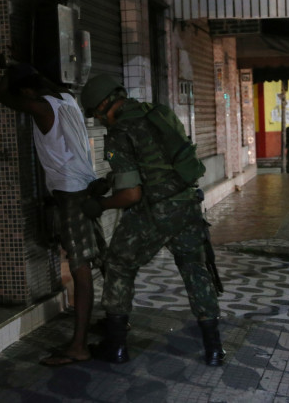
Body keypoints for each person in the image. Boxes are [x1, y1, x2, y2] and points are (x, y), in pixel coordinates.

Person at [79, 75, 225, 366]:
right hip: (187, 205)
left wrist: (101, 204)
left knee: (119, 264)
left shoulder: (120, 132)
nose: (98, 120)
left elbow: (132, 195)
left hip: (155, 212)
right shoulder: (157, 113)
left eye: (96, 114)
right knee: (195, 271)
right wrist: (109, 181)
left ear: (105, 104)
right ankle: (214, 349)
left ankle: (117, 346)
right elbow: (153, 161)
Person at [0, 63, 106, 367]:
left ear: (28, 92)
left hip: (71, 193)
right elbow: (39, 82)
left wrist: (7, 71)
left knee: (81, 270)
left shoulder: (43, 109)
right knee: (97, 260)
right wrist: (21, 68)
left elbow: (0, 94)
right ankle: (115, 321)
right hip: (85, 187)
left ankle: (78, 346)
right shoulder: (67, 99)